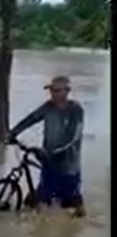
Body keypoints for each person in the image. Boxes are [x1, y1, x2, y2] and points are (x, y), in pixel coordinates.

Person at [6, 76, 86, 217]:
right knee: (44, 199)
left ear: (66, 91)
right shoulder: (48, 107)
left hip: (69, 165)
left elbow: (73, 137)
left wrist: (56, 151)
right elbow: (31, 118)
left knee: (73, 205)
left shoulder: (76, 110)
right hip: (49, 161)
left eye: (56, 91)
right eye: (51, 90)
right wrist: (13, 133)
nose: (52, 94)